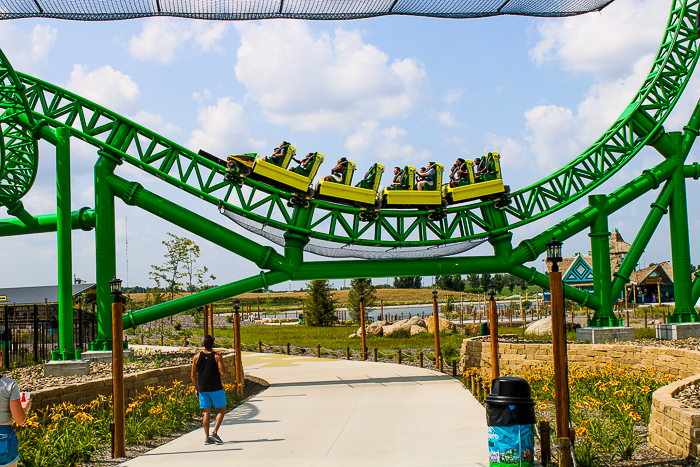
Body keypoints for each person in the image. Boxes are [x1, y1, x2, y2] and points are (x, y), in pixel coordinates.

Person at [191, 335, 228, 445]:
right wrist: (215, 375)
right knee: (221, 410)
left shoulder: (196, 357)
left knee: (206, 411)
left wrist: (196, 388)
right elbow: (223, 373)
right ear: (213, 344)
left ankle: (207, 437)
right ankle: (214, 432)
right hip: (216, 387)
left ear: (203, 345)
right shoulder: (217, 357)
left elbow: (193, 375)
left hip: (203, 388)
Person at [0, 349, 31, 467]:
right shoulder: (9, 385)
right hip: (3, 438)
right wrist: (25, 408)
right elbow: (19, 419)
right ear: (1, 356)